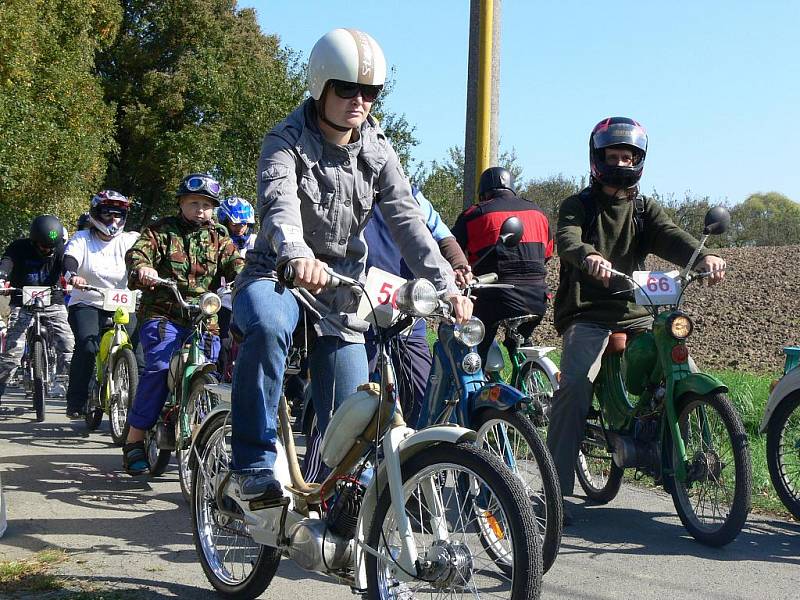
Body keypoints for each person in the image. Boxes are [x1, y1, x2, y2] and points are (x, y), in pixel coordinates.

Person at [229, 28, 471, 502]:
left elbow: (408, 220)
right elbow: (280, 205)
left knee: (355, 414)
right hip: (277, 273)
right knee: (269, 325)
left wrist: (445, 285)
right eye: (347, 89)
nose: (359, 101)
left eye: (371, 92)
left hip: (341, 289)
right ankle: (254, 465)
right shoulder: (284, 141)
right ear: (321, 86)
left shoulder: (378, 150)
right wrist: (296, 254)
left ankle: (338, 511)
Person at [547, 116, 726, 524]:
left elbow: (670, 234)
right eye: (614, 156)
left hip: (640, 311)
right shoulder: (580, 205)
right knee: (574, 386)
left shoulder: (644, 208)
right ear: (598, 159)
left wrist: (702, 257)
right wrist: (587, 256)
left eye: (629, 156)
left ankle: (680, 456)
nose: (622, 163)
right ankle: (554, 491)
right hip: (589, 313)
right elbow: (568, 238)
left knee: (682, 368)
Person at [121, 173, 244, 475]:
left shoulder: (220, 237)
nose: (200, 209)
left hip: (204, 320)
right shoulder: (161, 231)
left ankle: (206, 439)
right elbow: (138, 253)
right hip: (164, 314)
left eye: (206, 204)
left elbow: (237, 263)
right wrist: (143, 268)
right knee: (160, 369)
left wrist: (248, 278)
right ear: (181, 203)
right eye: (193, 203)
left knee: (209, 377)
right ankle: (134, 440)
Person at [452, 166, 554, 361]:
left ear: (483, 193)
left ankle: (477, 385)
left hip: (495, 296)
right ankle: (526, 375)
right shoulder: (538, 213)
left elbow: (453, 254)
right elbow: (547, 254)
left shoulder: (474, 215)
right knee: (520, 341)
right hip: (537, 298)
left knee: (474, 350)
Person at [62, 190, 141, 418]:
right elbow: (70, 259)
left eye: (118, 215)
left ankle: (143, 410)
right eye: (107, 214)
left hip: (124, 304)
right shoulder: (82, 238)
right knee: (87, 347)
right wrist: (72, 275)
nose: (113, 220)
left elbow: (145, 257)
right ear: (96, 214)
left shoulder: (130, 240)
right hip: (87, 300)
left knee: (139, 353)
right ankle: (76, 401)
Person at [0, 215, 75, 405]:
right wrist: (1, 277)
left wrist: (72, 277)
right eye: (43, 246)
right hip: (22, 304)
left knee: (68, 344)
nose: (48, 250)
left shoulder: (60, 249)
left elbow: (67, 265)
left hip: (53, 302)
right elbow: (7, 262)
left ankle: (71, 386)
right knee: (12, 353)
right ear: (33, 241)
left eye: (51, 247)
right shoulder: (18, 247)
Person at [215, 196, 257, 342]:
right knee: (222, 343)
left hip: (250, 299)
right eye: (235, 224)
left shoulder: (256, 243)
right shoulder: (216, 243)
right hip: (222, 300)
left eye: (244, 224)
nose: (240, 228)